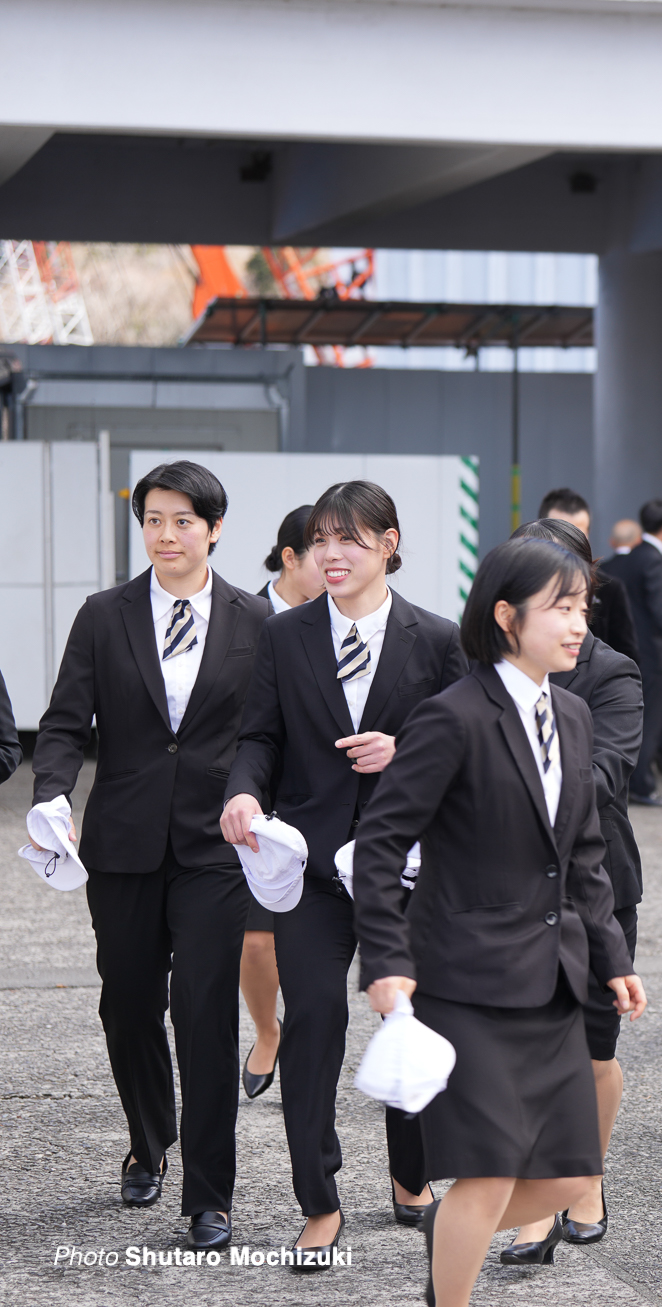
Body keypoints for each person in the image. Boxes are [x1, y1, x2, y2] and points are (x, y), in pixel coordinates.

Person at [352, 535, 647, 1307]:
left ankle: (452, 1223)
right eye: (562, 607)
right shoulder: (452, 717)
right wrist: (385, 959)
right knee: (488, 1170)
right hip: (468, 982)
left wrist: (612, 956)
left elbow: (582, 853)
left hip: (553, 983)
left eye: (585, 606)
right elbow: (382, 841)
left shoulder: (575, 715)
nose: (579, 623)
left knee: (574, 1176)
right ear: (507, 615)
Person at [222, 481, 466, 1264]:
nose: (332, 554)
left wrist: (406, 750)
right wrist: (242, 791)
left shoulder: (436, 637)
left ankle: (411, 1175)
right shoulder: (285, 634)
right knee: (316, 1024)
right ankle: (319, 1203)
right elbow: (258, 735)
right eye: (321, 539)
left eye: (350, 540)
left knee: (412, 1019)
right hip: (313, 866)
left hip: (409, 870)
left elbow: (468, 745)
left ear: (388, 543)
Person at [32, 460, 271, 1251]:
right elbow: (66, 720)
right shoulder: (105, 615)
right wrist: (53, 792)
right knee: (128, 1003)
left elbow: (267, 732)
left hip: (216, 846)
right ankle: (148, 1136)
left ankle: (209, 1194)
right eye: (153, 519)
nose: (166, 534)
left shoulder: (254, 620)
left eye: (181, 520)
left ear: (214, 527)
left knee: (205, 1015)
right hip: (124, 841)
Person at [503, 518, 645, 1259]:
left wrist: (501, 782)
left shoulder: (611, 672)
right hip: (503, 886)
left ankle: (585, 1171)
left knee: (591, 1045)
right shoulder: (481, 668)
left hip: (594, 883)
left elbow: (606, 776)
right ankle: (538, 1199)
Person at [240, 503, 325, 1103]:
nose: (335, 562)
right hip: (255, 798)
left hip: (321, 800)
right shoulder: (245, 619)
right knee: (256, 939)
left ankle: (310, 1036)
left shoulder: (349, 618)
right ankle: (268, 1030)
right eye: (320, 551)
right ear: (290, 557)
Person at [599, 504, 662, 805]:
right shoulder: (652, 559)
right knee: (650, 719)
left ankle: (627, 782)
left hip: (617, 649)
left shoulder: (612, 565)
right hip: (649, 652)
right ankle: (643, 785)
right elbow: (659, 612)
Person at [542, 490, 636, 662]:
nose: (569, 542)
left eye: (577, 534)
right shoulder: (525, 585)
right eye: (561, 534)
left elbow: (626, 655)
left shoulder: (609, 588)